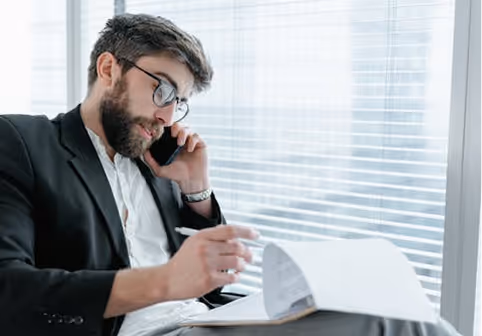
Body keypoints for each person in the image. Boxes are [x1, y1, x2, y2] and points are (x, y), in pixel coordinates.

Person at [0, 13, 463, 336]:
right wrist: (164, 282)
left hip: (202, 320)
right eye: (161, 88)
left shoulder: (154, 160)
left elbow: (211, 282)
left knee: (401, 313)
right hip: (139, 330)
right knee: (401, 326)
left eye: (177, 100)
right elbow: (9, 290)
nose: (167, 114)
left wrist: (195, 190)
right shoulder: (23, 142)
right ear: (109, 68)